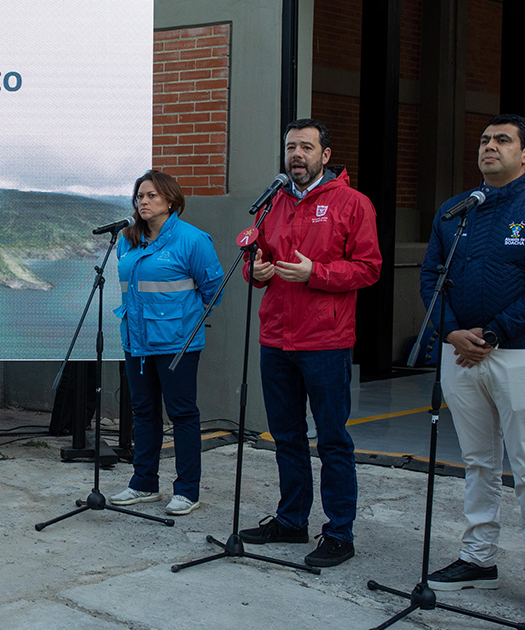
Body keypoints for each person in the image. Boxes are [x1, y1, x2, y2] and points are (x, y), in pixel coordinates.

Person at [420, 114, 525, 626]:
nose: (489, 147)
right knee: (478, 463)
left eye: (502, 140)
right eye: (485, 140)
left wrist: (490, 334)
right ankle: (479, 558)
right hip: (460, 354)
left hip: (519, 357)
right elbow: (430, 280)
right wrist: (450, 332)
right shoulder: (454, 211)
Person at [239, 119, 382, 567]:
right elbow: (254, 260)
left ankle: (339, 532)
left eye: (306, 146)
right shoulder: (273, 202)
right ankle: (291, 520)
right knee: (286, 437)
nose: (296, 154)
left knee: (333, 440)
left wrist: (315, 274)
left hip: (325, 341)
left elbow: (369, 267)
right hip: (276, 338)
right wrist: (255, 272)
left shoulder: (353, 203)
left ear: (325, 154)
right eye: (290, 147)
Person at [108, 170, 224, 516]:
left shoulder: (192, 240)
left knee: (182, 414)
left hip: (177, 343)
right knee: (143, 413)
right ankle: (144, 483)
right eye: (139, 196)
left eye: (151, 196)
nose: (143, 202)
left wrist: (179, 318)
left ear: (170, 200)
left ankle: (187, 491)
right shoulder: (128, 239)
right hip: (136, 340)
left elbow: (213, 290)